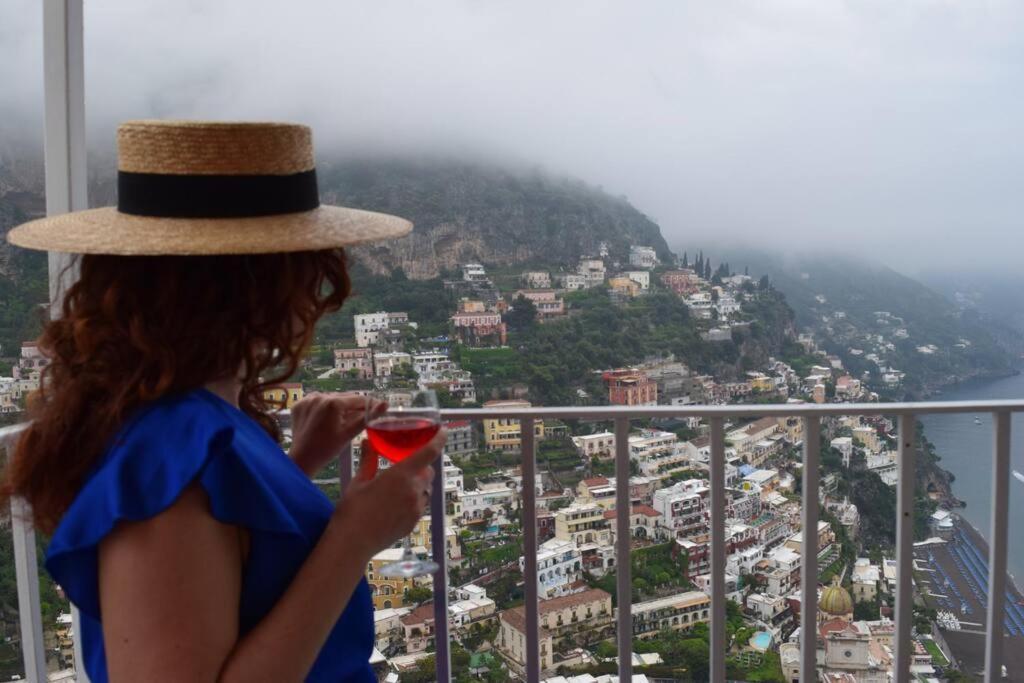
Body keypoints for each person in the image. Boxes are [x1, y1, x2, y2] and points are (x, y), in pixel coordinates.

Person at [2, 120, 444, 681]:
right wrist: (355, 536)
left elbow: (232, 561)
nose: (316, 293)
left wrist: (298, 464)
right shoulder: (168, 449)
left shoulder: (190, 424)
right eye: (307, 263)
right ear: (258, 283)